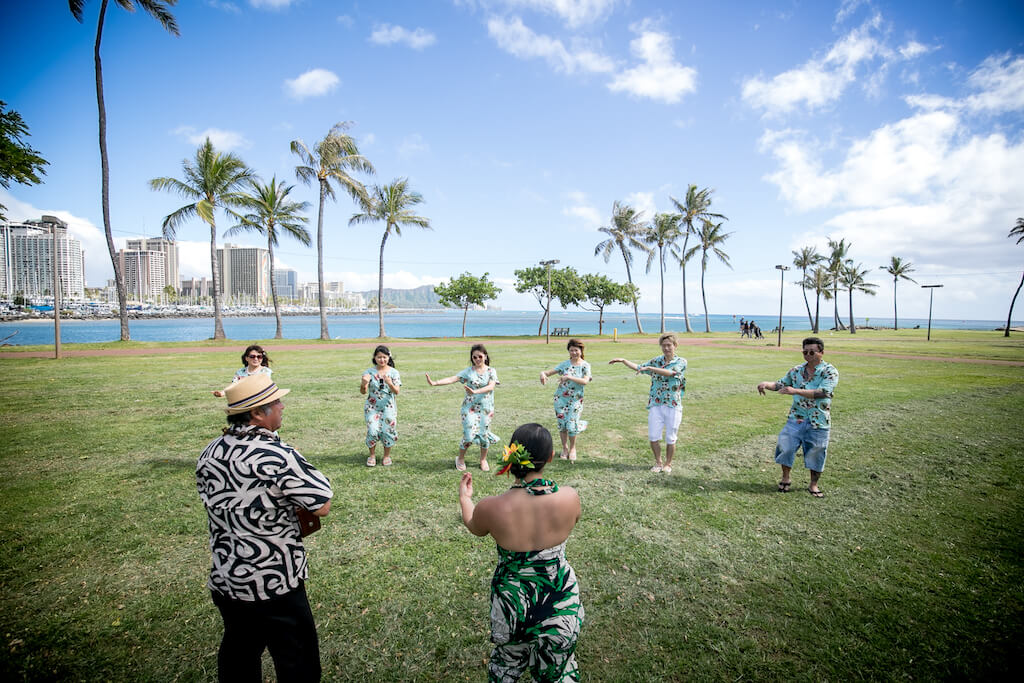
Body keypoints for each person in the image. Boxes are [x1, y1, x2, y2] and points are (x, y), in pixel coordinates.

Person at [197, 374, 333, 681]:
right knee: (297, 663)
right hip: (275, 582)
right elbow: (321, 504)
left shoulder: (209, 453)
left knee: (239, 655)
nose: (282, 406)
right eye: (276, 402)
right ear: (258, 413)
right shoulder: (276, 455)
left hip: (228, 578)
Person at [457, 423, 584, 682]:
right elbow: (573, 521)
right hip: (559, 601)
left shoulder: (492, 507)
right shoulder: (570, 497)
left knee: (506, 666)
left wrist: (465, 499)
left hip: (512, 604)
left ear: (510, 455)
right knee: (557, 672)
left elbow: (473, 525)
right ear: (549, 457)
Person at [756, 336, 839, 498]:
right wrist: (766, 384)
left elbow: (823, 392)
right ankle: (785, 478)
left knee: (817, 451)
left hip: (818, 420)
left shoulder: (829, 371)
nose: (808, 355)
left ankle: (813, 485)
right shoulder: (796, 371)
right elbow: (781, 384)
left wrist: (796, 391)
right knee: (785, 446)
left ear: (821, 352)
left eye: (812, 352)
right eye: (805, 352)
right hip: (796, 418)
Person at [609, 333, 687, 474]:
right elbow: (639, 367)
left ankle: (668, 464)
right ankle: (658, 462)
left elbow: (670, 373)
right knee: (653, 436)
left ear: (675, 346)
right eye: (663, 345)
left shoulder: (681, 361)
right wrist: (623, 360)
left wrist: (650, 369)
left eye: (669, 345)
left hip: (673, 405)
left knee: (671, 437)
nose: (666, 348)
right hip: (656, 404)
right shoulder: (656, 361)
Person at [426, 343, 500, 472]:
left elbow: (491, 387)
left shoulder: (491, 371)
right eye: (474, 357)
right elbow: (452, 378)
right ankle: (460, 458)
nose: (477, 359)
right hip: (469, 408)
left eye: (480, 356)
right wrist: (435, 383)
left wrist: (475, 392)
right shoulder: (468, 371)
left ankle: (483, 459)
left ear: (485, 356)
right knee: (469, 435)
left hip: (485, 409)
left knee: (484, 434)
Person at [539, 338, 592, 462]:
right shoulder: (565, 364)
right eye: (571, 350)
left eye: (576, 350)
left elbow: (585, 381)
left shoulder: (585, 365)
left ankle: (573, 448)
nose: (573, 353)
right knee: (562, 425)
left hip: (575, 400)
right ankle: (564, 448)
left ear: (581, 351)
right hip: (560, 399)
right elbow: (547, 373)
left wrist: (569, 377)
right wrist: (542, 374)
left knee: (572, 425)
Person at [360, 344, 401, 467]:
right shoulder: (368, 372)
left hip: (388, 407)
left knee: (387, 431)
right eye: (379, 357)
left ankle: (386, 456)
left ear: (389, 357)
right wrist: (363, 383)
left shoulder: (394, 372)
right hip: (372, 407)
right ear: (374, 358)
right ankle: (372, 455)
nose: (382, 360)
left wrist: (389, 383)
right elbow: (363, 392)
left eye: (384, 357)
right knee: (372, 430)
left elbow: (397, 391)